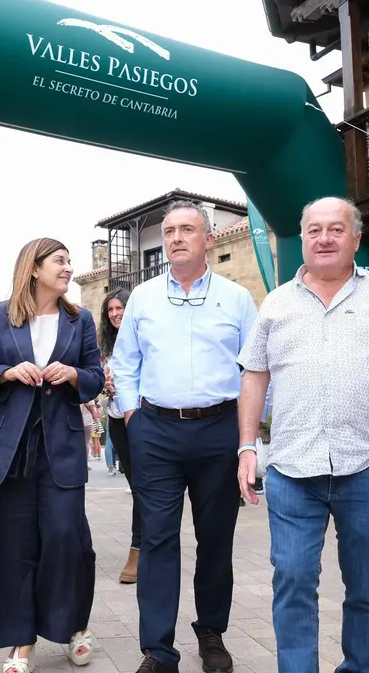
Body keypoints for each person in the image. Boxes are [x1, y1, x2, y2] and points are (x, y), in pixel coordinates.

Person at [236, 197, 369, 673]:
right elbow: (254, 376)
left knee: (367, 584)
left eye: (336, 229)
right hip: (292, 470)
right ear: (302, 237)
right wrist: (247, 447)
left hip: (368, 469)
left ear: (355, 239)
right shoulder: (276, 303)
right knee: (291, 579)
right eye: (315, 229)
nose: (324, 238)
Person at [110, 200, 258, 673]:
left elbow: (254, 368)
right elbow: (125, 361)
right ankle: (158, 649)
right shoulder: (143, 298)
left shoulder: (236, 299)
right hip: (155, 430)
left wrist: (247, 437)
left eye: (187, 229)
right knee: (157, 538)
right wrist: (132, 413)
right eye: (169, 230)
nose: (175, 237)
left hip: (219, 429)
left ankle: (211, 633)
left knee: (216, 537)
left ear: (208, 239)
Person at [0, 237, 104, 673]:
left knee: (67, 540)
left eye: (69, 261)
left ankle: (72, 627)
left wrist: (74, 374)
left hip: (60, 449)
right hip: (8, 451)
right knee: (10, 546)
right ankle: (19, 646)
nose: (68, 268)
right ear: (34, 268)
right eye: (59, 261)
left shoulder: (79, 321)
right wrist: (6, 371)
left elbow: (96, 378)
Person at [98, 288, 140, 584]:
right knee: (138, 486)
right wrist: (105, 383)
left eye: (120, 307)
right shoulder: (106, 346)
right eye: (111, 309)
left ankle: (138, 549)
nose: (115, 313)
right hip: (116, 420)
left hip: (141, 418)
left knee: (143, 486)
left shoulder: (143, 337)